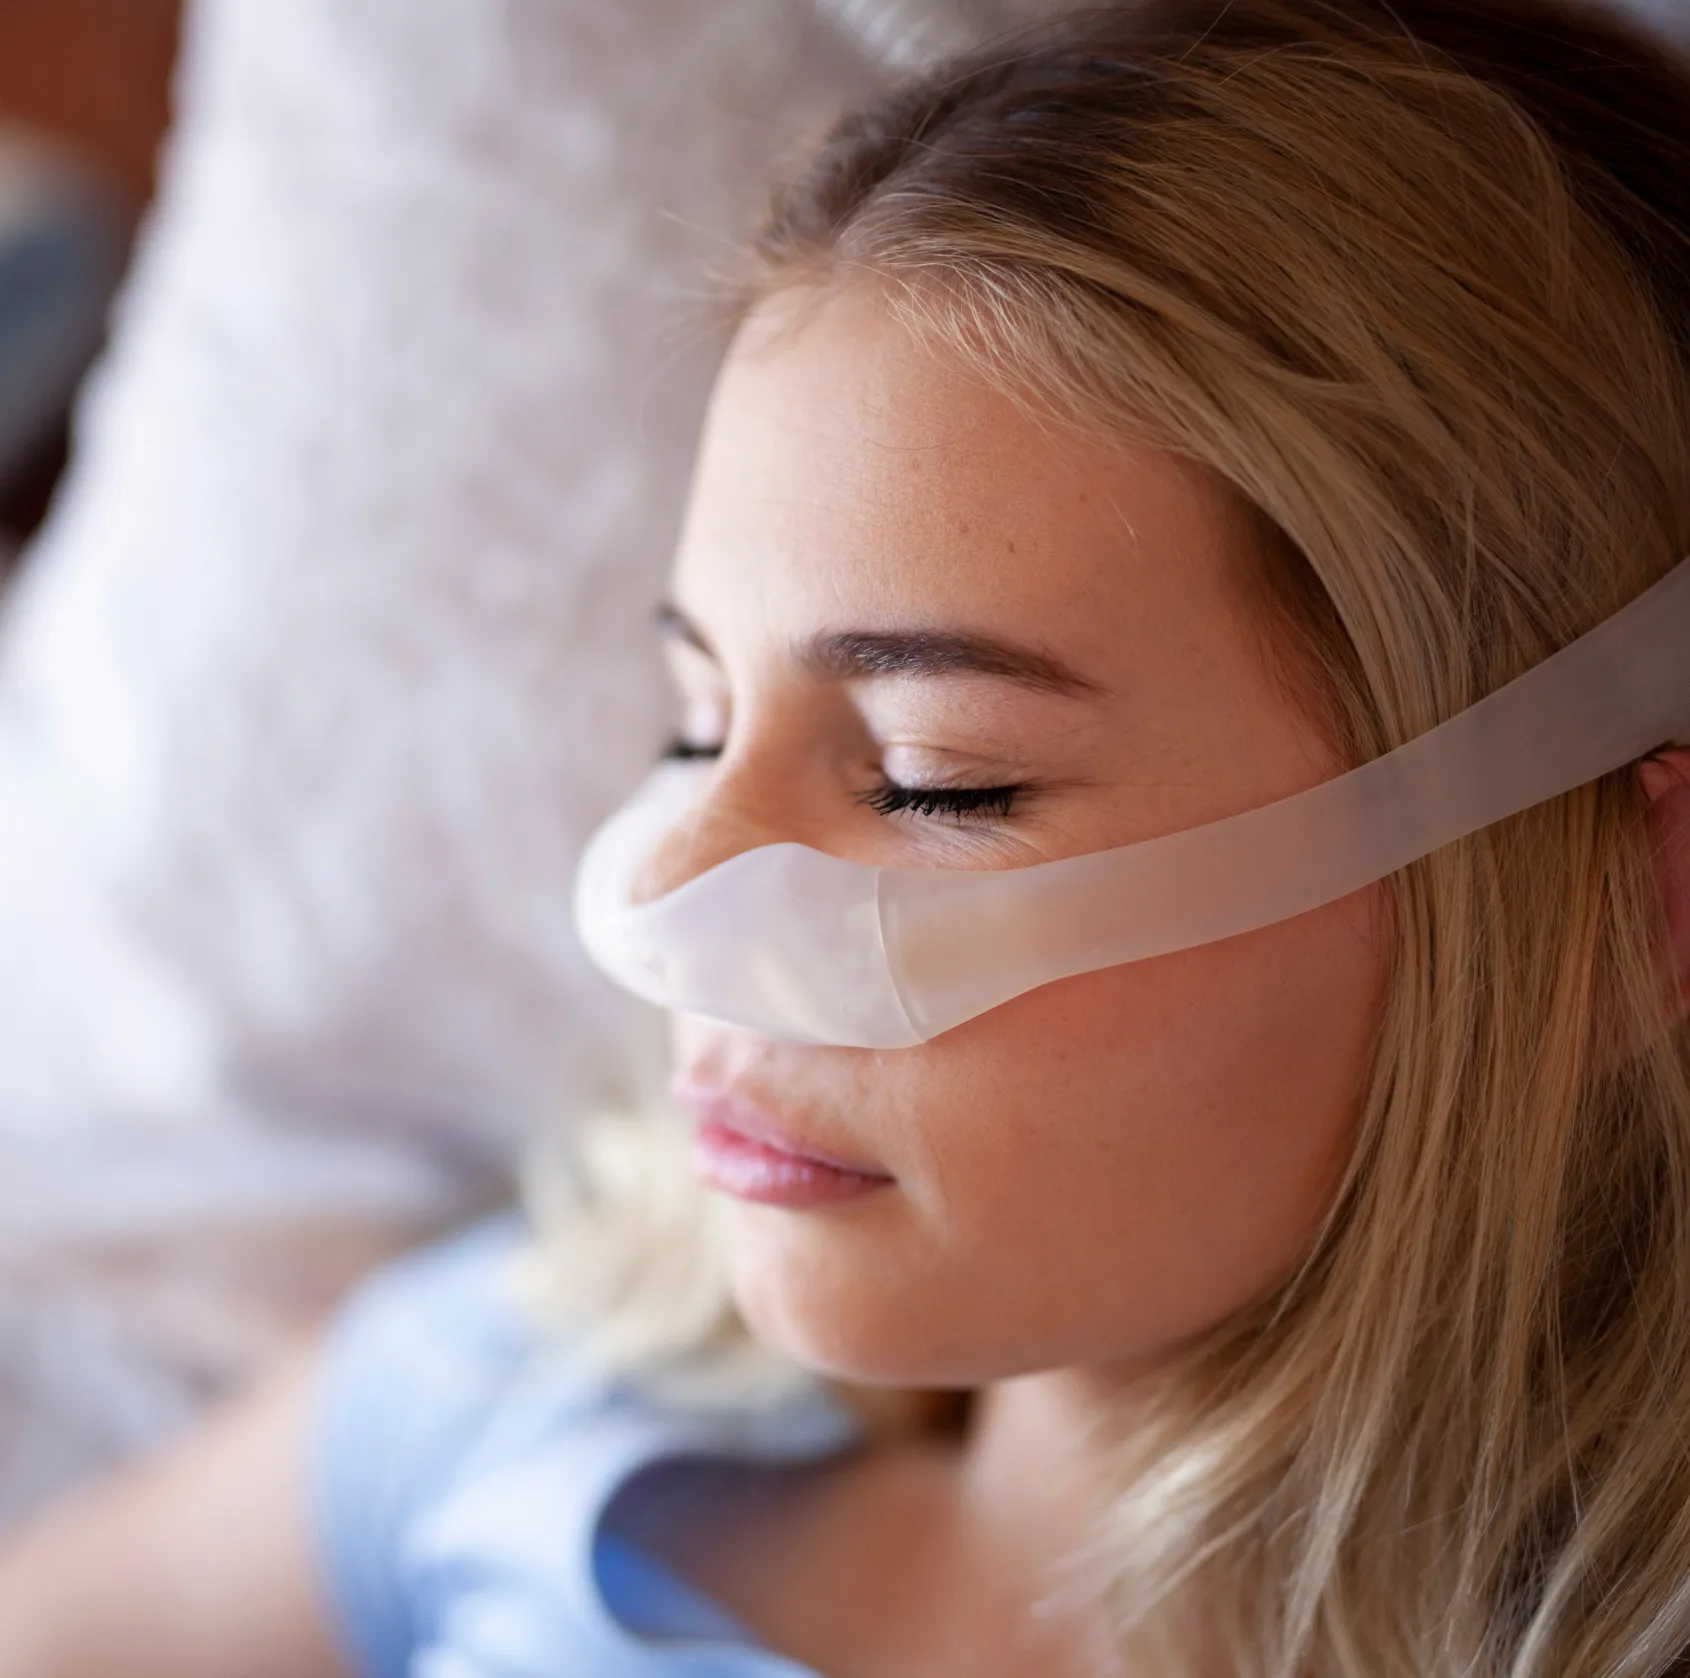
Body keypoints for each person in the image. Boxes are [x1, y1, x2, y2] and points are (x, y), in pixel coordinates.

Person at [4, 0, 1690, 1672]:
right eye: (694, 725)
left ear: (1634, 905)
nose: (662, 889)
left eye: (935, 777)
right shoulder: (499, 1408)